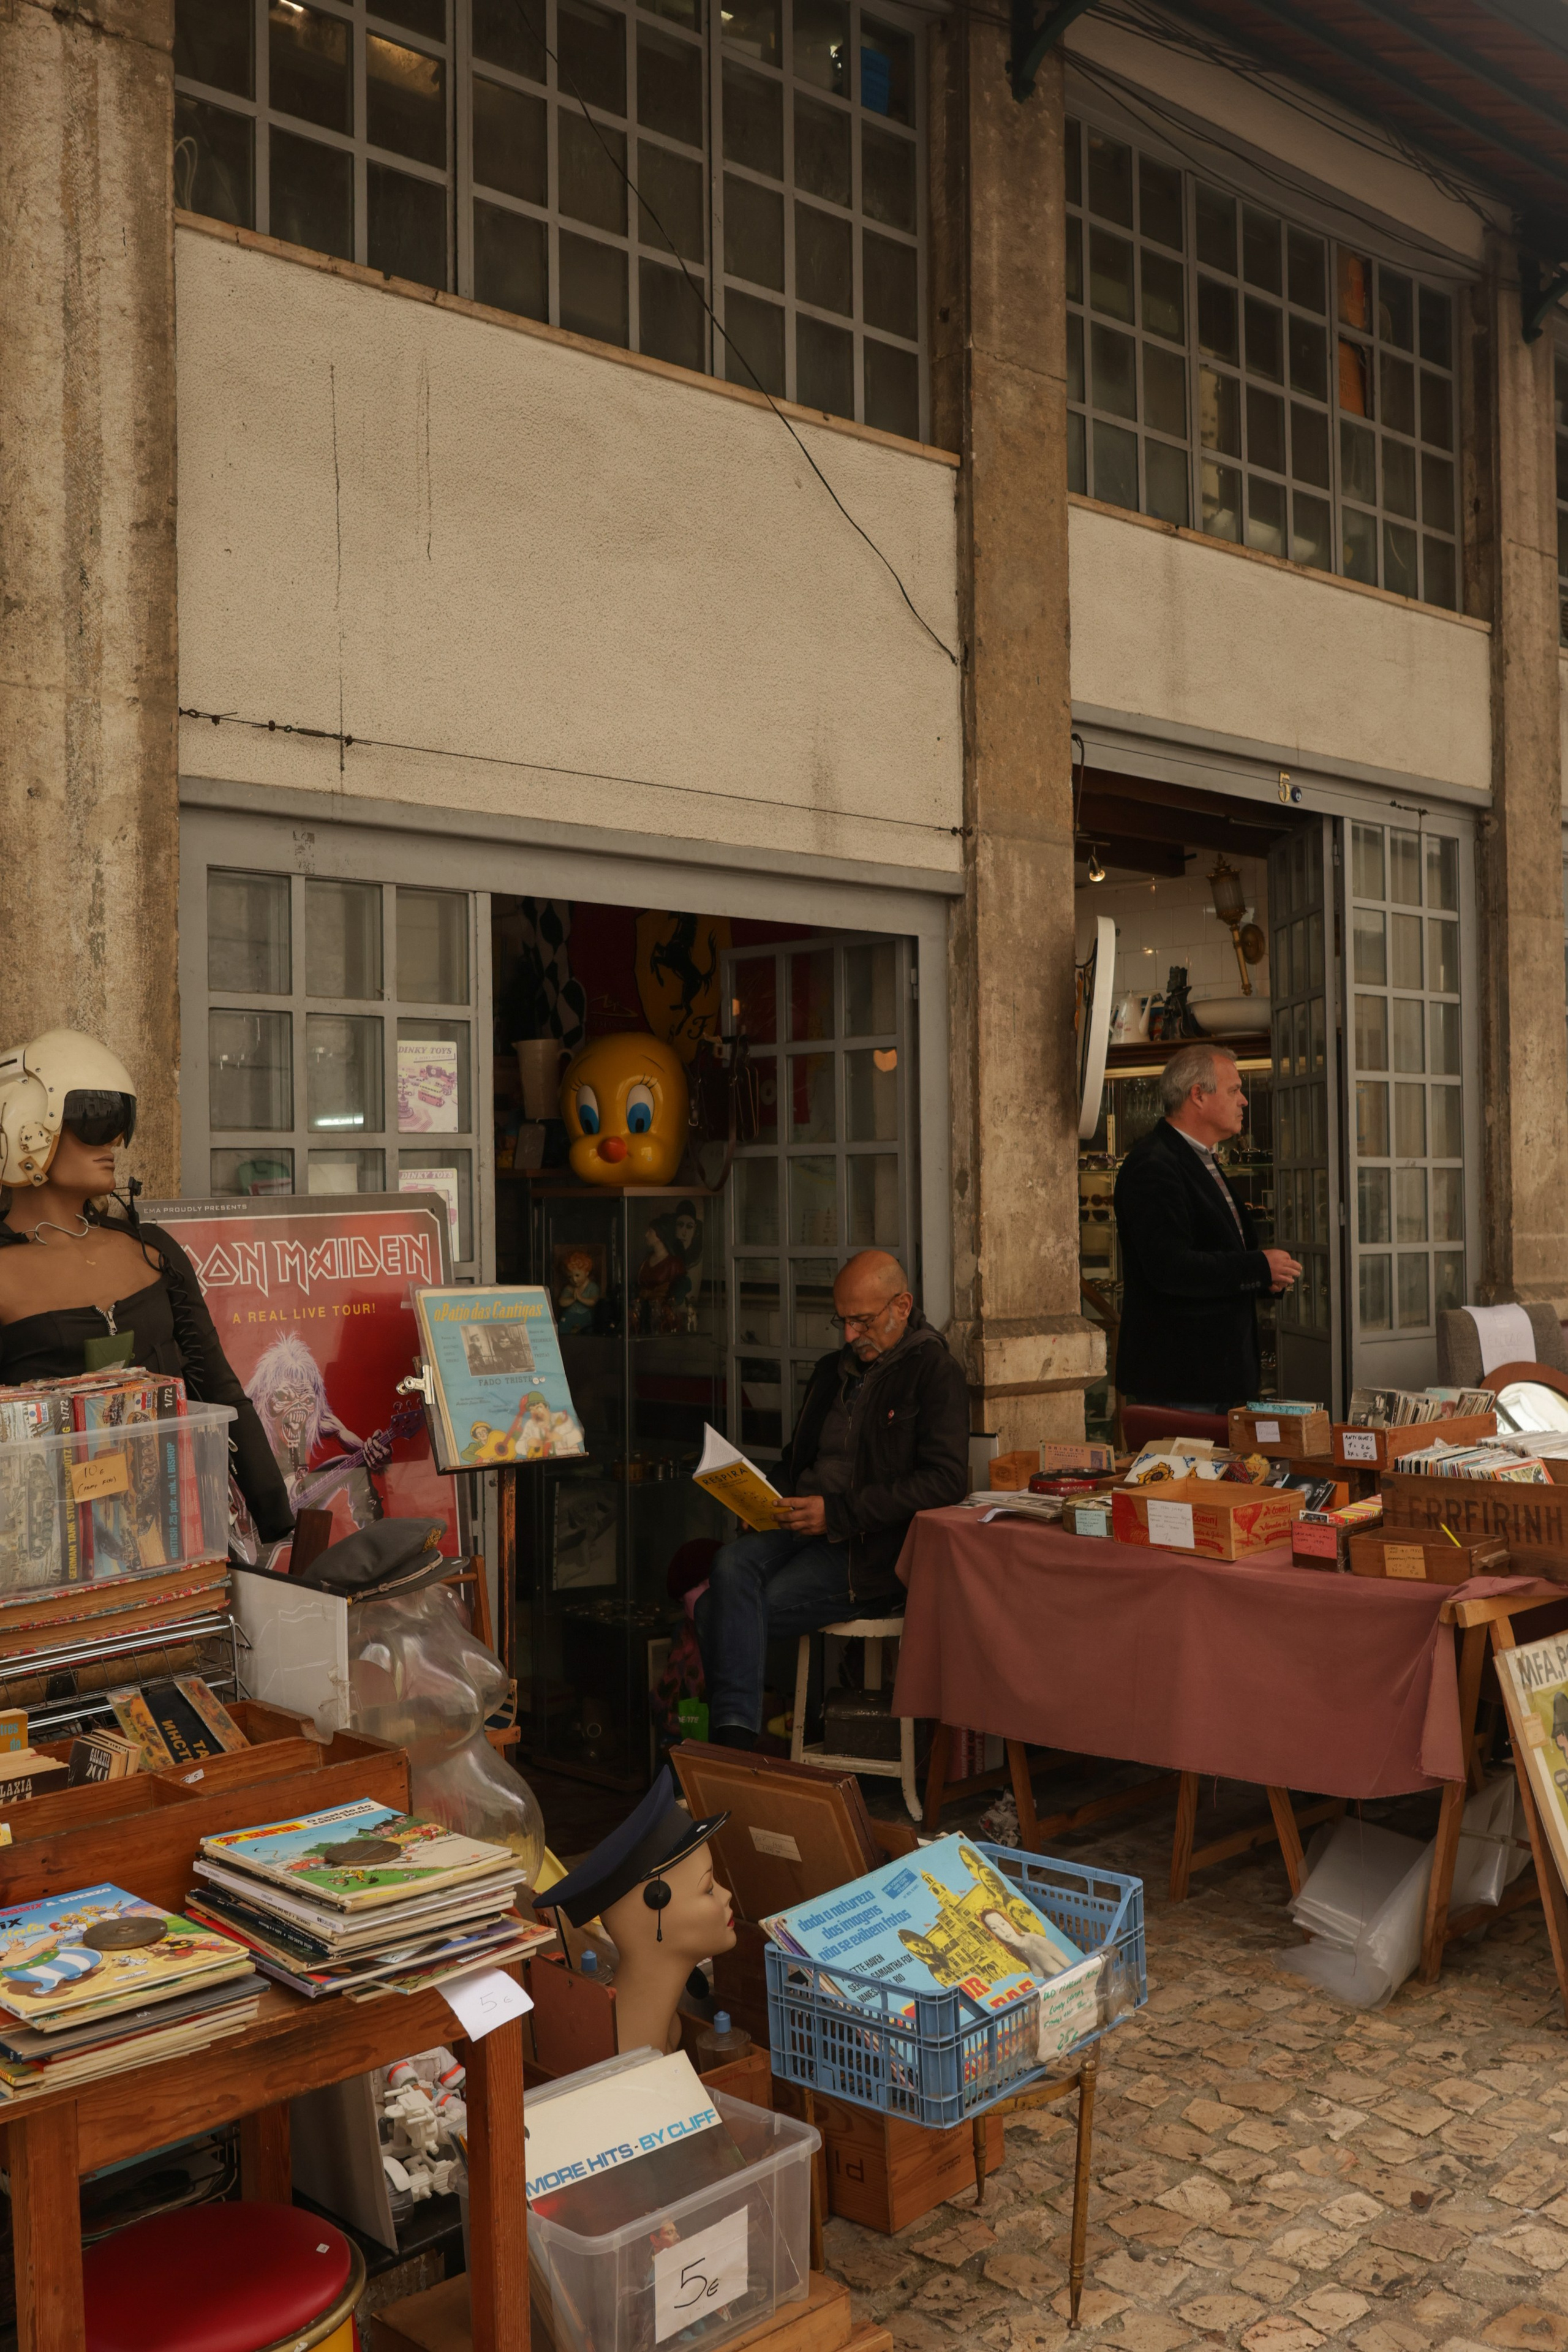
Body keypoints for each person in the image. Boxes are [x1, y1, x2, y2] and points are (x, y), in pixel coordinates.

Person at [0, 1027, 294, 1544]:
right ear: (24, 1124)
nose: (115, 1141)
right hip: (50, 1551)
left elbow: (220, 1390)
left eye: (120, 1123)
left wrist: (279, 1526)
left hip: (179, 1530)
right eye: (94, 1120)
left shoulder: (152, 1250)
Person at [695, 1248, 968, 1750]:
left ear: (902, 1307)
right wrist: (758, 1494)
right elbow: (799, 1458)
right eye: (841, 1321)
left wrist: (838, 1513)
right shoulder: (830, 1371)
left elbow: (946, 1481)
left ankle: (732, 1744)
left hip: (867, 1551)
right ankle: (734, 1744)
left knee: (718, 1611)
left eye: (862, 1321)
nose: (849, 1336)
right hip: (800, 1520)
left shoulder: (933, 1372)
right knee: (730, 1562)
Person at [1113, 1041, 1302, 1412]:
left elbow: (1217, 1253)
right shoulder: (1152, 1164)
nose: (1244, 1101)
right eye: (1234, 1090)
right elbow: (1171, 1268)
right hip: (1182, 1383)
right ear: (1197, 1095)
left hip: (1219, 1378)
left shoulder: (1202, 1158)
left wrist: (1263, 1278)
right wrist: (1258, 1266)